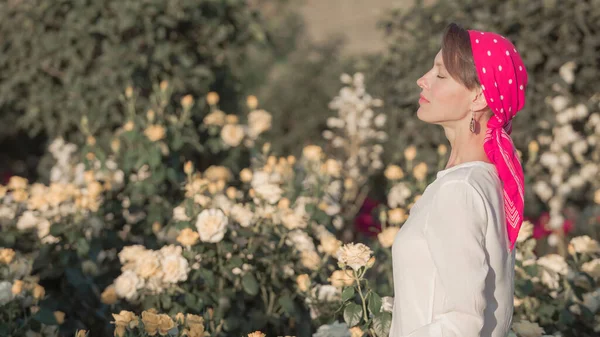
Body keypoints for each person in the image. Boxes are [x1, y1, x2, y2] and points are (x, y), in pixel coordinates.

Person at [389, 22, 528, 337]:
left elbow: (462, 322)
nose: (422, 80)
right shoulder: (485, 180)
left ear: (479, 96)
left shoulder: (460, 189)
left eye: (440, 74)